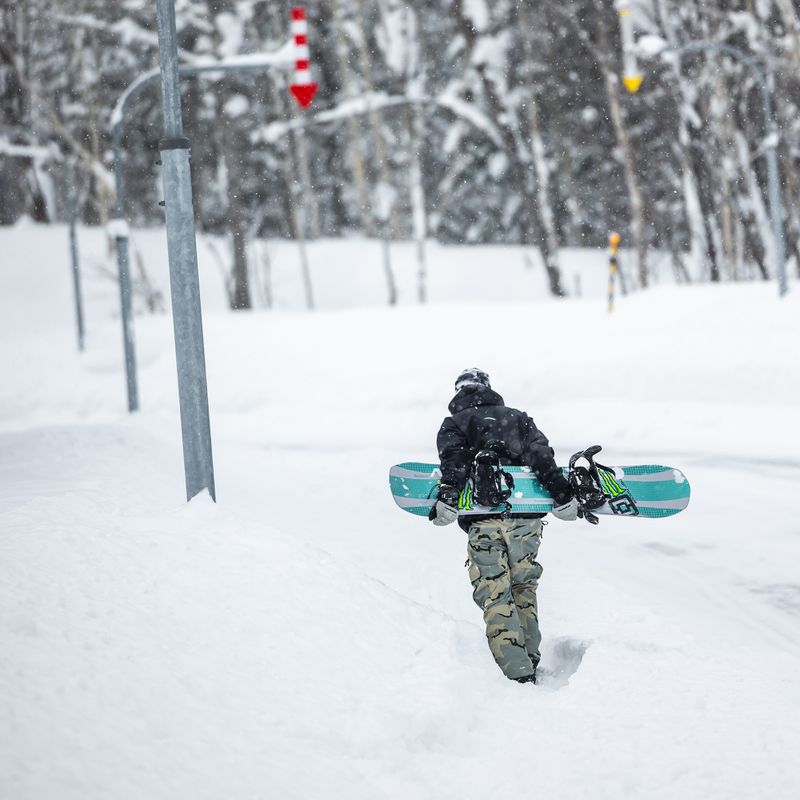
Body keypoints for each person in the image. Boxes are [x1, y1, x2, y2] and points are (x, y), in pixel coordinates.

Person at [429, 368, 579, 683]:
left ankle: (517, 673)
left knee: (495, 592)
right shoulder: (518, 418)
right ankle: (530, 660)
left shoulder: (455, 423)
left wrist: (448, 496)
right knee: (523, 586)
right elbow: (541, 457)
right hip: (526, 522)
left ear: (459, 391)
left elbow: (454, 463)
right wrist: (562, 494)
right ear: (487, 388)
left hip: (483, 522)